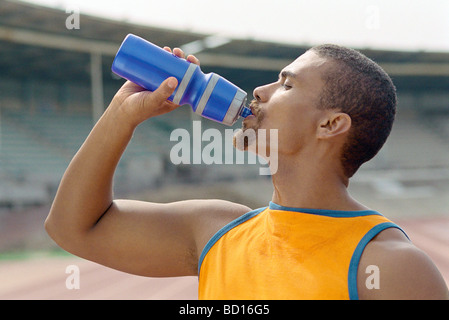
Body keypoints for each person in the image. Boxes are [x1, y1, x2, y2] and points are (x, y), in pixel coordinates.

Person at [45, 44, 449, 300]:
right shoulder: (214, 229)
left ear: (330, 125)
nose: (260, 91)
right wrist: (122, 115)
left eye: (286, 85)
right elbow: (72, 228)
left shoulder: (390, 266)